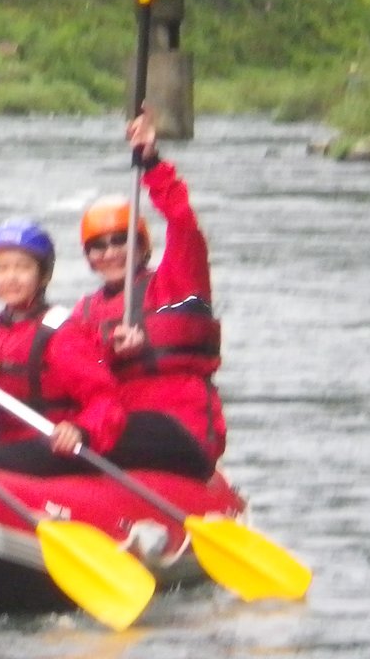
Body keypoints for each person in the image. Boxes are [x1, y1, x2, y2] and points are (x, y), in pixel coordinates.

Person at [62, 105, 225, 479]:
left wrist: (151, 162)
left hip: (183, 431)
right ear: (88, 258)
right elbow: (75, 376)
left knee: (88, 438)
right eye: (98, 246)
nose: (111, 252)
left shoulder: (179, 281)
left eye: (122, 240)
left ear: (144, 246)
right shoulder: (83, 315)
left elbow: (182, 221)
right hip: (121, 428)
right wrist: (108, 351)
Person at [0, 219, 129, 478]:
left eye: (22, 268)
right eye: (2, 268)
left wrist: (80, 430)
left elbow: (106, 401)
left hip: (48, 443)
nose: (11, 277)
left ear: (43, 275)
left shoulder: (61, 334)